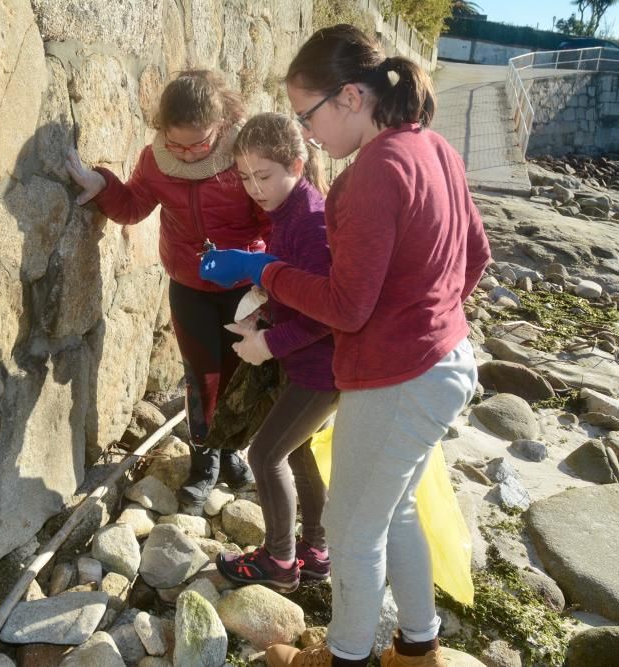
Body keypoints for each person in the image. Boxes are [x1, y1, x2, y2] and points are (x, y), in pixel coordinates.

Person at [200, 25, 492, 667]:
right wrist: (429, 315)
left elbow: (346, 306)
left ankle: (346, 656)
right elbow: (476, 256)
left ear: (351, 98)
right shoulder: (434, 147)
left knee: (354, 532)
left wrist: (264, 274)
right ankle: (418, 648)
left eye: (309, 116)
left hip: (397, 380)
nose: (308, 134)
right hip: (448, 362)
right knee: (400, 510)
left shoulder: (371, 175)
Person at [66, 69, 268, 512]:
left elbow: (275, 213)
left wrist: (272, 273)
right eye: (176, 144)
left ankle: (234, 450)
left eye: (198, 144)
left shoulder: (246, 156)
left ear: (222, 123)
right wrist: (103, 185)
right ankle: (204, 461)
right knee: (202, 376)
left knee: (242, 375)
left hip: (244, 287)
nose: (187, 154)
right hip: (188, 285)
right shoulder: (156, 160)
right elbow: (135, 205)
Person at [212, 112, 338, 595]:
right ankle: (316, 549)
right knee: (298, 450)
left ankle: (281, 559)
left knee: (265, 454)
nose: (253, 188)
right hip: (307, 364)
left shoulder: (310, 223)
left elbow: (326, 311)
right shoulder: (286, 213)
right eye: (244, 178)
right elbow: (293, 288)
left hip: (320, 370)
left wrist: (268, 343)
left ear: (297, 166)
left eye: (263, 176)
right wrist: (263, 314)